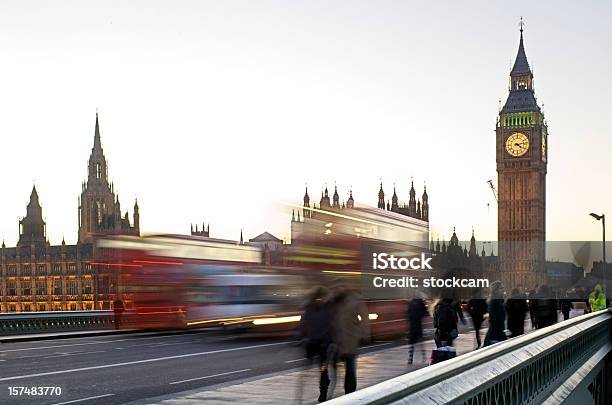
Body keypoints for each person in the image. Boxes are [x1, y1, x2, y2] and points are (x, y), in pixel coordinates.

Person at [328, 282, 369, 396]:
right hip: (335, 341)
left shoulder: (356, 299)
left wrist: (363, 334)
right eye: (335, 288)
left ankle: (350, 394)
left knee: (350, 370)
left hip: (351, 340)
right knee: (331, 369)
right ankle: (328, 392)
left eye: (340, 286)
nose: (338, 289)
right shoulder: (333, 301)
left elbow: (365, 317)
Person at [298, 286, 332, 403]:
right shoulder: (317, 308)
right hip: (317, 344)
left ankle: (322, 392)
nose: (320, 299)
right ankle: (322, 390)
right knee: (317, 369)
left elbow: (303, 325)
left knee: (320, 369)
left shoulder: (316, 308)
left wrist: (302, 338)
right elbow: (304, 324)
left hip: (319, 345)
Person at [484, 281, 506, 346]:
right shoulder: (494, 303)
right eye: (501, 288)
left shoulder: (499, 302)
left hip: (499, 333)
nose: (503, 290)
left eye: (503, 288)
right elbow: (495, 320)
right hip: (495, 335)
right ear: (495, 290)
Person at [406, 296, 427, 364]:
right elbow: (425, 312)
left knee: (412, 342)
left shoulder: (411, 302)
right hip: (418, 324)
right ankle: (423, 356)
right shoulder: (419, 302)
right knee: (420, 341)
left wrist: (411, 317)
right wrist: (419, 316)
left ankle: (410, 358)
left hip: (413, 325)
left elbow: (408, 313)